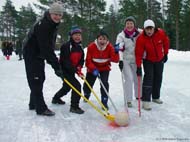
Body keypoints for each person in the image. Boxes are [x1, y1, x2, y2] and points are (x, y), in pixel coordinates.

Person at [23, 2, 64, 116]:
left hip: (38, 53)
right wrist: (56, 67)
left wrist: (56, 65)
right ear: (50, 14)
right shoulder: (44, 25)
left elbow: (48, 46)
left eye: (60, 15)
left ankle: (33, 103)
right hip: (31, 52)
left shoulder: (52, 24)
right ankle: (40, 108)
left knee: (40, 77)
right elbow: (46, 48)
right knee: (36, 78)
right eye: (55, 14)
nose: (57, 17)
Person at [135, 19, 169, 110]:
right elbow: (138, 54)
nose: (149, 31)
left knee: (158, 78)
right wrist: (138, 66)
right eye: (147, 29)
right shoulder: (141, 39)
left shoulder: (160, 33)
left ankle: (155, 97)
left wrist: (165, 53)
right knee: (148, 78)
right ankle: (146, 101)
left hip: (159, 59)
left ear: (154, 28)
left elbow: (166, 42)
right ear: (144, 29)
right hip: (148, 60)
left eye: (151, 29)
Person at [52, 26, 85, 114]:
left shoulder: (80, 47)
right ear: (71, 36)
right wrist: (75, 70)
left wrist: (79, 68)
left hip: (72, 71)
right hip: (64, 71)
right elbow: (65, 61)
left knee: (67, 87)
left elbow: (81, 60)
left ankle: (56, 98)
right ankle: (74, 107)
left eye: (79, 35)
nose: (77, 37)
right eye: (75, 35)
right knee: (77, 86)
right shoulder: (66, 46)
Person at [83, 31, 119, 110]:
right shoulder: (91, 47)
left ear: (107, 40)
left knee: (104, 83)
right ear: (97, 39)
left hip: (104, 68)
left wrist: (116, 52)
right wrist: (93, 69)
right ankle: (86, 94)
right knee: (88, 83)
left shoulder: (110, 47)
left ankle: (104, 101)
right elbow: (88, 61)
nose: (102, 41)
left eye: (104, 39)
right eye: (100, 39)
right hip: (93, 68)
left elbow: (115, 60)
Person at [115, 16, 142, 108]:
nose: (129, 25)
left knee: (137, 77)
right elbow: (119, 48)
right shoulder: (121, 35)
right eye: (127, 24)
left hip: (136, 59)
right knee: (129, 78)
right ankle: (129, 100)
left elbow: (148, 35)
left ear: (134, 24)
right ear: (125, 25)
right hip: (126, 59)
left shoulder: (139, 33)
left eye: (131, 23)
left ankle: (139, 96)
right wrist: (121, 60)